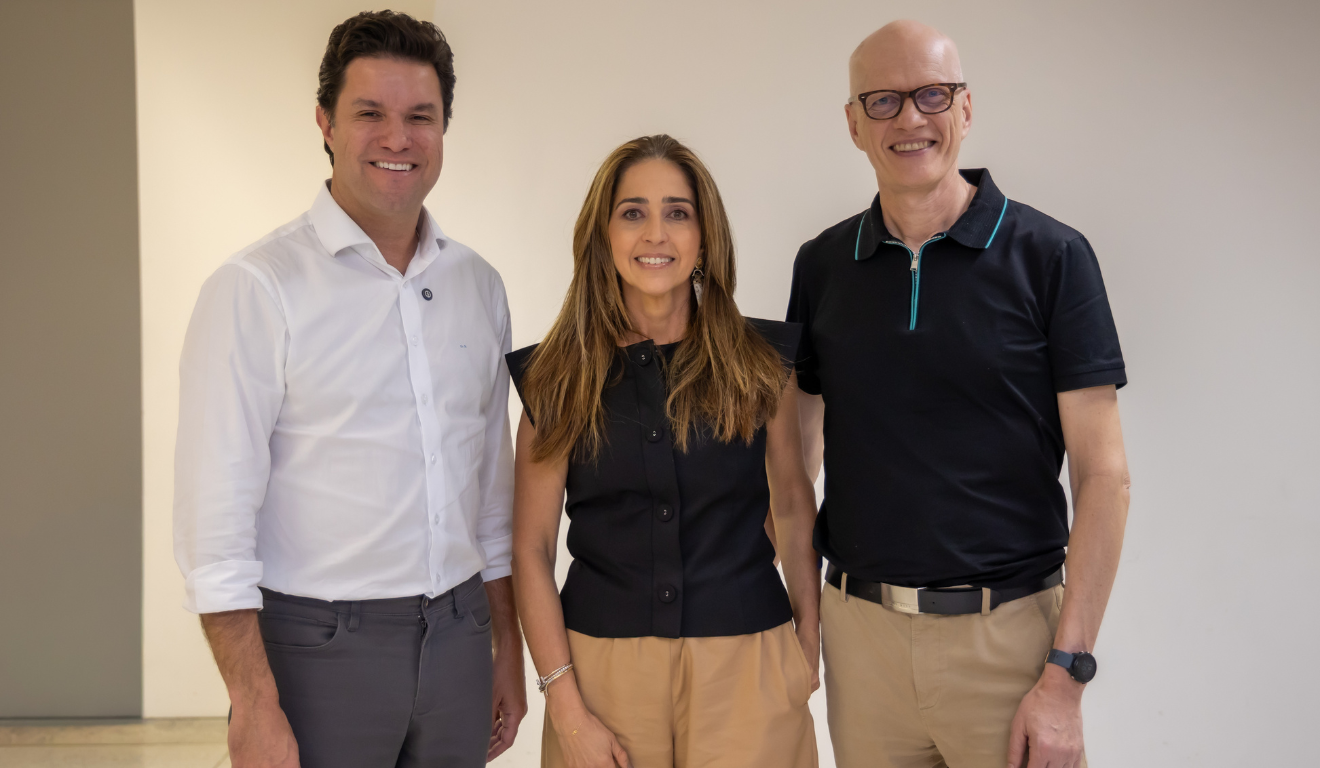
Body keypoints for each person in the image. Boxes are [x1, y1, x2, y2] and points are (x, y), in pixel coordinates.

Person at [173, 11, 525, 768]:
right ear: (326, 123)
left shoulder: (479, 285)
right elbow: (215, 525)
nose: (397, 138)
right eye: (370, 113)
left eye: (420, 117)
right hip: (317, 650)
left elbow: (493, 493)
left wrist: (506, 649)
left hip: (461, 640)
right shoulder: (256, 289)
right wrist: (254, 702)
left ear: (444, 129)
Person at [787, 20, 1131, 768]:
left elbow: (1105, 476)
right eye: (882, 100)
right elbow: (793, 463)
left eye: (931, 95)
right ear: (852, 124)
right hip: (862, 640)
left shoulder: (1054, 258)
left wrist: (1066, 678)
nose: (909, 118)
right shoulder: (821, 266)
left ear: (965, 110)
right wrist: (804, 621)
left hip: (1008, 646)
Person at [508, 134, 820, 768]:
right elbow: (531, 548)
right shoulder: (556, 376)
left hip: (749, 660)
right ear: (603, 234)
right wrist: (564, 705)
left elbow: (791, 501)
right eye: (633, 212)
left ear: (705, 234)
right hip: (601, 670)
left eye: (678, 212)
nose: (656, 233)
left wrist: (807, 645)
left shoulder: (762, 366)